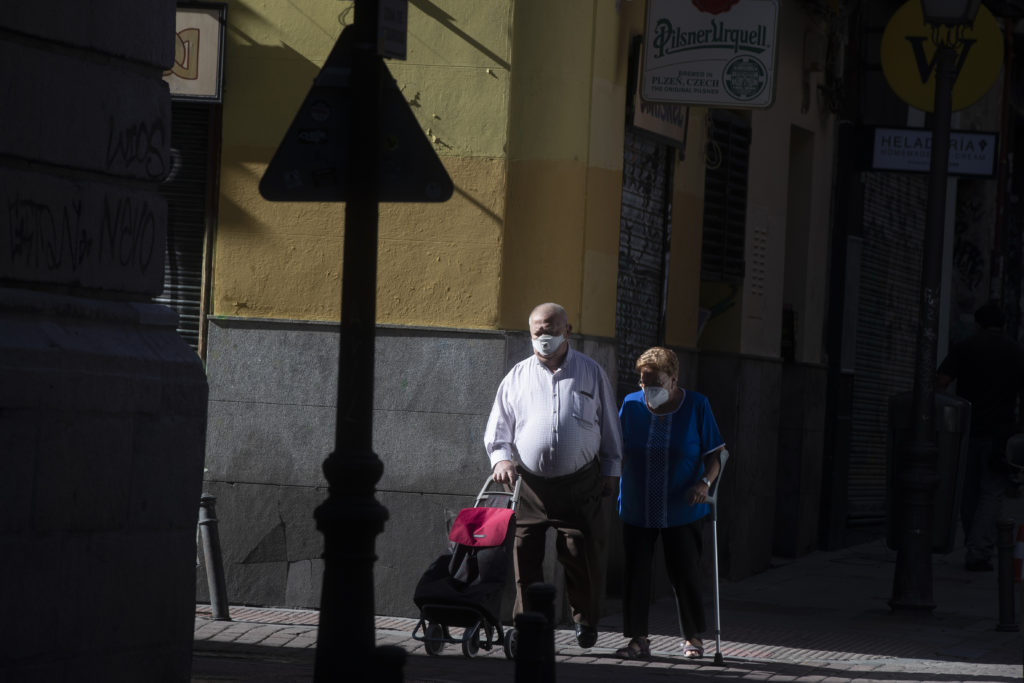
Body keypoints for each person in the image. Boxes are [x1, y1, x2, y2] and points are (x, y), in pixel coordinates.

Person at [484, 302, 623, 648]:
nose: (544, 336)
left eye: (550, 328)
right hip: (528, 484)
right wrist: (501, 459)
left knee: (580, 552)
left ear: (567, 330)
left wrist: (612, 470)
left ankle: (584, 619)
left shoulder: (591, 372)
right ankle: (527, 624)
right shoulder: (517, 376)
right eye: (537, 331)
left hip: (580, 482)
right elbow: (498, 429)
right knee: (524, 553)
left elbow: (609, 427)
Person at [614, 347, 724, 660]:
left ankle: (693, 638)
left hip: (683, 504)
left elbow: (716, 453)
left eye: (655, 382)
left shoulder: (697, 405)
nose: (647, 389)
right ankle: (638, 639)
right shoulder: (631, 404)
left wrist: (704, 483)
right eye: (642, 382)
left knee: (685, 572)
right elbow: (617, 447)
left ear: (673, 380)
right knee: (636, 573)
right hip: (638, 503)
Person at [937, 301, 1024, 571]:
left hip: (965, 429)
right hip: (999, 434)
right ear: (1004, 325)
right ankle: (978, 550)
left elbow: (940, 382)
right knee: (992, 492)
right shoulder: (1015, 352)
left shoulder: (965, 348)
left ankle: (975, 541)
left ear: (977, 324)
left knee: (969, 491)